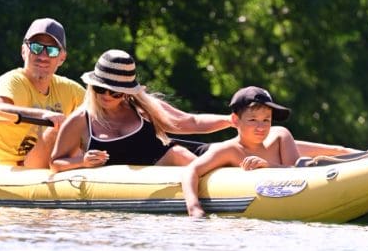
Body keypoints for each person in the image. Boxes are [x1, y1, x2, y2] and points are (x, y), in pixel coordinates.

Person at [181, 85, 359, 218]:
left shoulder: (280, 136)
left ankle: (365, 154)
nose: (261, 127)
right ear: (235, 120)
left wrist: (268, 165)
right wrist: (194, 208)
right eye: (253, 120)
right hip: (201, 152)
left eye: (266, 120)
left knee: (337, 151)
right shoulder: (229, 150)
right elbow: (191, 171)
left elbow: (298, 173)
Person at [50, 49, 234, 172]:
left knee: (194, 152)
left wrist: (230, 120)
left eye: (114, 92)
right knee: (179, 154)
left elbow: (191, 122)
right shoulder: (80, 119)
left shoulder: (143, 107)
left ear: (126, 92)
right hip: (131, 184)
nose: (106, 95)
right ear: (91, 86)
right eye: (100, 88)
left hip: (173, 159)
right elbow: (55, 162)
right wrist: (82, 161)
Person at [0, 18, 85, 166]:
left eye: (52, 50)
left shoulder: (69, 89)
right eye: (36, 47)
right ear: (23, 51)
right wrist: (42, 114)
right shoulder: (12, 81)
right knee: (56, 130)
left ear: (62, 58)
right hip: (11, 170)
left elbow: (100, 109)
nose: (43, 56)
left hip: (50, 168)